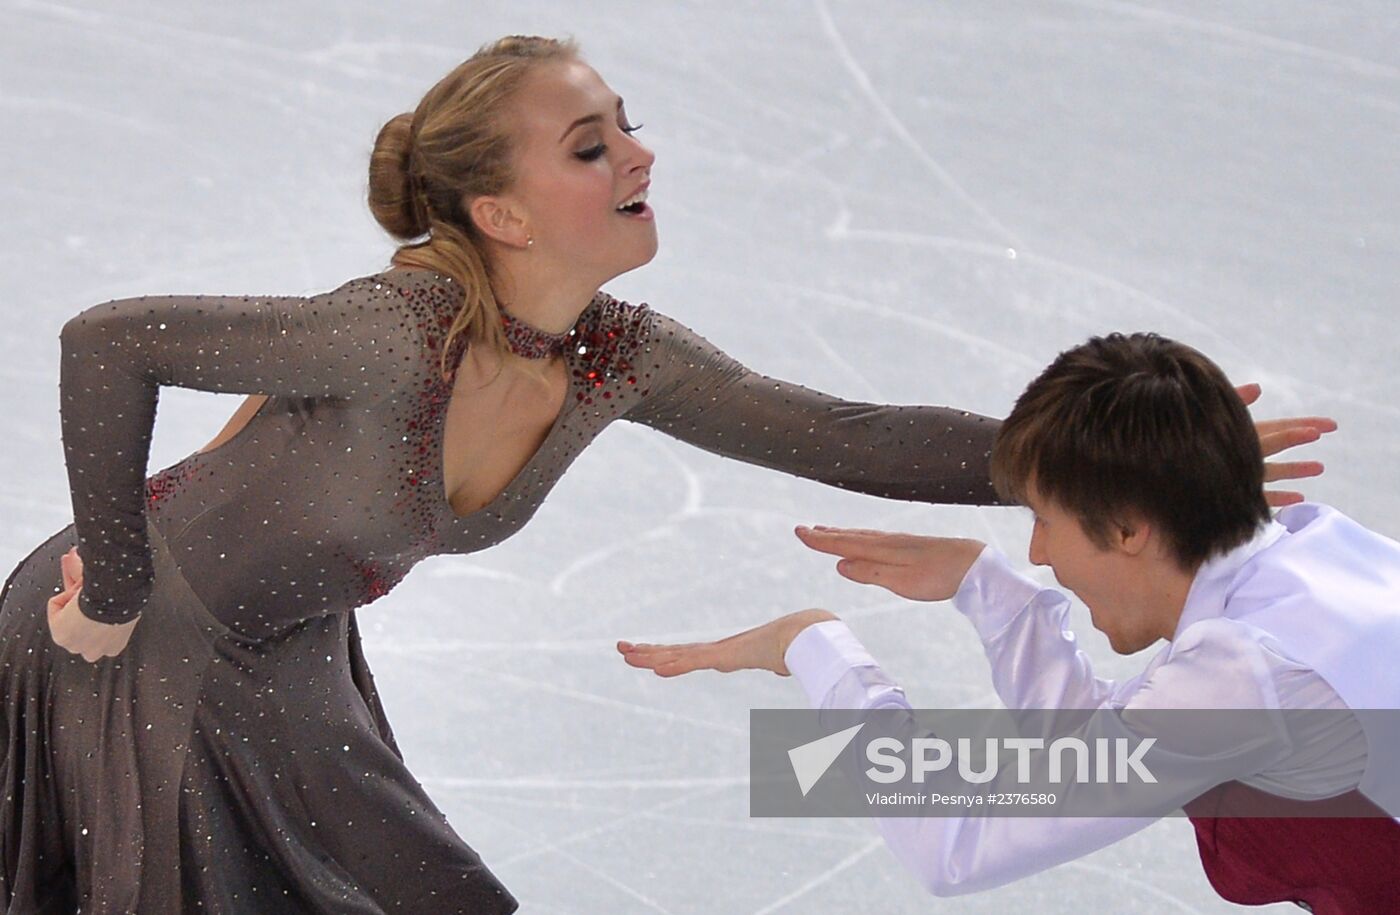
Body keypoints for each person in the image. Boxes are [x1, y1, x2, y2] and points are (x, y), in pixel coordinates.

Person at [2, 33, 1326, 912]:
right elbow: (108, 343)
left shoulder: (617, 358)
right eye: (591, 146)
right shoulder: (392, 333)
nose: (640, 154)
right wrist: (111, 585)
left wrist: (1106, 452)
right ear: (503, 215)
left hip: (281, 647)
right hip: (135, 652)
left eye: (626, 127)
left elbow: (848, 435)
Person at [620, 332, 1398, 914]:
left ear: (1129, 527)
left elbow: (955, 842)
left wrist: (811, 645)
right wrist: (987, 589)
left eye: (1044, 520)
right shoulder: (1324, 548)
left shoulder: (1243, 676)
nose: (1038, 551)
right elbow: (1105, 753)